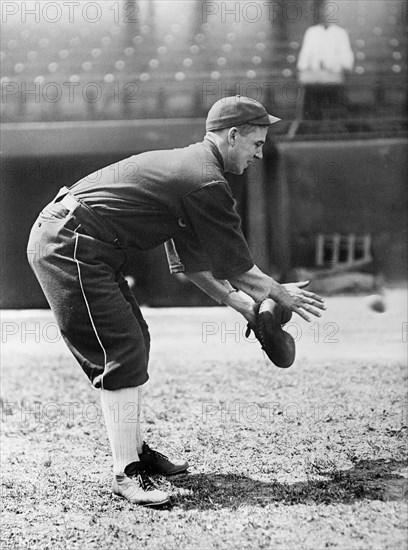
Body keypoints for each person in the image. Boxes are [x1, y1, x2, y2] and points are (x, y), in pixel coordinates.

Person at [27, 95, 325, 507]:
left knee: (136, 340)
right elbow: (240, 269)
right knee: (122, 348)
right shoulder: (204, 178)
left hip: (90, 244)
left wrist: (239, 304)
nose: (259, 154)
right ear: (232, 135)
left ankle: (135, 452)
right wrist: (279, 293)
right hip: (70, 242)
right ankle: (125, 472)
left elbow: (190, 262)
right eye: (255, 145)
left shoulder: (194, 169)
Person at [296, 10, 354, 120]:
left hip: (333, 74)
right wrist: (304, 69)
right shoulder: (311, 32)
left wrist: (333, 66)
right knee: (310, 92)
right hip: (315, 75)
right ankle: (311, 123)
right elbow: (305, 54)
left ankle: (333, 122)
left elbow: (346, 56)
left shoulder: (341, 33)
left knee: (333, 93)